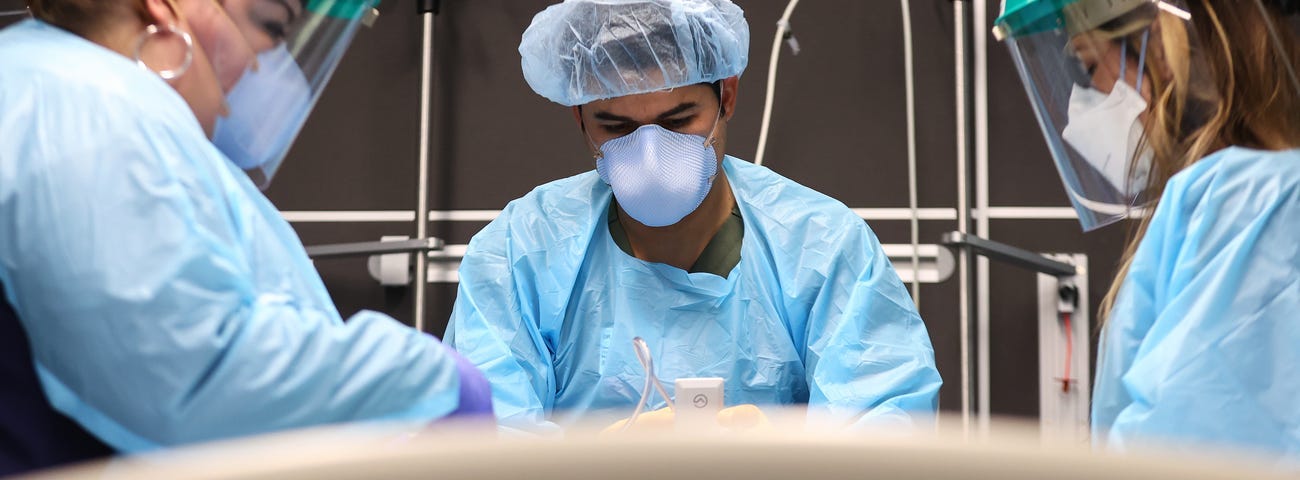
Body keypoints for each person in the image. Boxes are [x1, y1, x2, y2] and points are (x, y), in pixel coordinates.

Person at [0, 0, 490, 474]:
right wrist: (425, 381)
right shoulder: (87, 110)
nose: (275, 71)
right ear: (161, 5)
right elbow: (187, 375)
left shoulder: (66, 93)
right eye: (273, 27)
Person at [445, 0, 942, 434]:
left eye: (678, 121)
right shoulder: (521, 252)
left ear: (726, 96)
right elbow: (484, 444)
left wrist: (780, 458)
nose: (650, 153)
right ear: (579, 117)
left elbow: (884, 429)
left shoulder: (822, 246)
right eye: (615, 126)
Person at [994, 0, 1300, 461]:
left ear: (1161, 42)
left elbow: (1189, 441)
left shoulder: (1254, 205)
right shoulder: (1227, 202)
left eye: (1090, 65)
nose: (1085, 101)